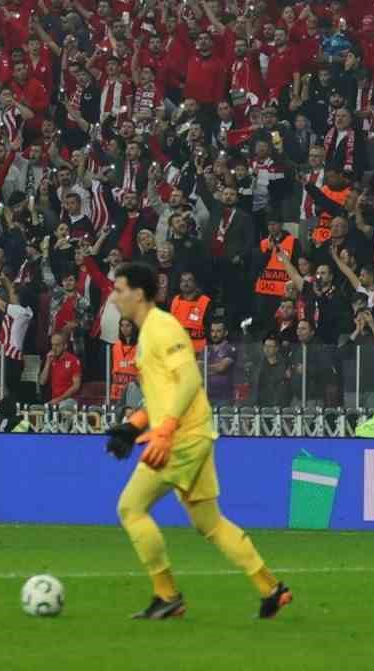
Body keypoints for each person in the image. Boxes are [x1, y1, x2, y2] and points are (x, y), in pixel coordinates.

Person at [103, 262, 291, 619]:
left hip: (181, 438)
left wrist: (166, 428)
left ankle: (167, 595)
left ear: (138, 293)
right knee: (210, 523)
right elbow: (165, 391)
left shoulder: (162, 327)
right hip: (191, 433)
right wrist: (134, 425)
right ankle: (271, 588)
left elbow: (189, 379)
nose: (114, 297)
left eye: (119, 289)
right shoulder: (148, 332)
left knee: (131, 508)